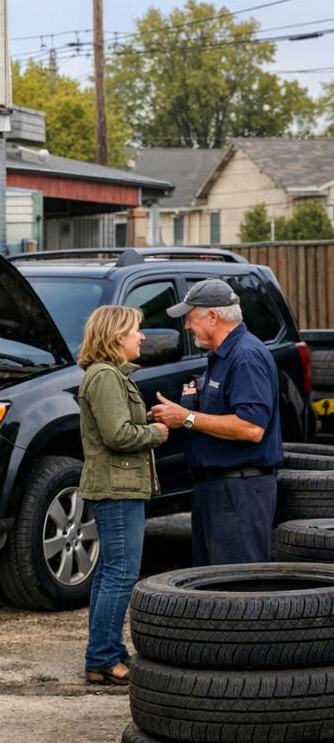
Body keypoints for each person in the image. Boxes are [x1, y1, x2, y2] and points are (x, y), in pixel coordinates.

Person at [149, 279, 282, 565]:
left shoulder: (246, 357)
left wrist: (187, 417)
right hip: (217, 490)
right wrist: (184, 415)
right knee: (213, 591)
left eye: (190, 317)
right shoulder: (221, 356)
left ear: (213, 315)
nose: (186, 326)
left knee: (237, 589)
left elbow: (252, 428)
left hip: (239, 492)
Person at [75, 306, 170, 686]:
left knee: (111, 573)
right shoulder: (105, 377)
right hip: (117, 488)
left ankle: (107, 651)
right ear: (116, 336)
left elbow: (117, 426)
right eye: (135, 330)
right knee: (120, 574)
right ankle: (102, 658)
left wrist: (143, 420)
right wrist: (156, 434)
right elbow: (118, 436)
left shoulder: (110, 376)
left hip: (120, 486)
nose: (141, 337)